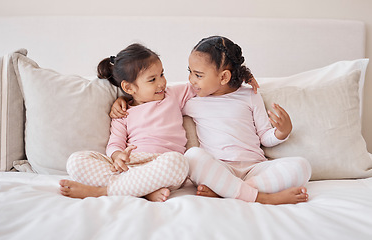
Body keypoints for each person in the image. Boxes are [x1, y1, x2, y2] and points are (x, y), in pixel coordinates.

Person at [111, 36, 311, 205]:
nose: (191, 80)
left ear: (224, 77)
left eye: (197, 74)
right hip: (219, 167)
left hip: (255, 167)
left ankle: (231, 191)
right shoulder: (192, 99)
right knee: (192, 157)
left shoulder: (250, 96)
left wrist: (281, 133)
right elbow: (151, 104)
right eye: (190, 72)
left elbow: (265, 137)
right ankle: (262, 198)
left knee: (302, 166)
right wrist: (124, 100)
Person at [59, 43, 194, 202]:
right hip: (131, 165)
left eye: (162, 74)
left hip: (162, 164)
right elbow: (114, 143)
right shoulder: (123, 113)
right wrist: (118, 157)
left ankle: (103, 192)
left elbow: (199, 87)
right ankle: (143, 191)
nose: (161, 83)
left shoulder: (173, 95)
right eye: (152, 79)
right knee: (76, 161)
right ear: (129, 88)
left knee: (179, 163)